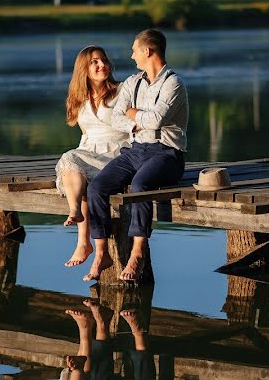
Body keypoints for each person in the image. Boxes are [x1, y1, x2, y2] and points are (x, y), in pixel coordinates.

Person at [83, 29, 189, 282]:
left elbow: (156, 121)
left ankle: (137, 252)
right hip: (135, 150)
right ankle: (101, 252)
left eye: (134, 50)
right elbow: (117, 118)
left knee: (140, 185)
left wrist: (133, 114)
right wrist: (136, 119)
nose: (131, 56)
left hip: (166, 153)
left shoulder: (173, 83)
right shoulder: (133, 82)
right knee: (97, 187)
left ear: (147, 51)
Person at [55, 46, 131, 268]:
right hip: (89, 151)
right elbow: (85, 134)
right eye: (95, 62)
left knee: (85, 175)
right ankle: (78, 221)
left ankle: (84, 242)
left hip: (119, 151)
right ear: (84, 70)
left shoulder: (123, 91)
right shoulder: (79, 98)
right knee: (70, 159)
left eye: (104, 60)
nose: (102, 65)